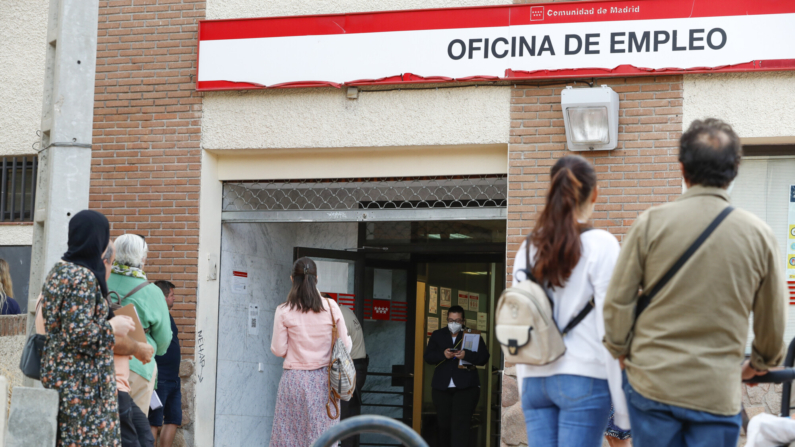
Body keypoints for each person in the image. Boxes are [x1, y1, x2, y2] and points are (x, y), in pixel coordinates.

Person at [603, 118, 786, 447]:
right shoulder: (759, 235)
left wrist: (621, 350)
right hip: (716, 389)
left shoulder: (649, 224)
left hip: (651, 383)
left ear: (682, 169)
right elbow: (773, 319)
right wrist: (759, 364)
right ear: (734, 170)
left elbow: (617, 302)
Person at [511, 155, 628, 447]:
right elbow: (611, 328)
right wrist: (623, 410)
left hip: (537, 382)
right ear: (595, 193)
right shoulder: (602, 245)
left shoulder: (528, 249)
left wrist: (527, 388)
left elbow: (520, 325)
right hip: (585, 378)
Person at [39, 210, 135, 446]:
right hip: (83, 389)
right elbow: (79, 333)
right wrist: (112, 326)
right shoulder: (83, 276)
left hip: (64, 379)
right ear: (97, 238)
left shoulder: (58, 272)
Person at [270, 258, 351, 447]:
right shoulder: (331, 307)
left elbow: (278, 349)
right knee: (323, 436)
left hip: (294, 381)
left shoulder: (283, 310)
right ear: (316, 279)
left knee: (289, 437)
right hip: (324, 382)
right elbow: (345, 346)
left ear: (292, 279)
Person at [108, 234, 173, 417]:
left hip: (101, 359)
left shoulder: (101, 281)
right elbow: (163, 343)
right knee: (133, 431)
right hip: (138, 367)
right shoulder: (152, 292)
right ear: (142, 258)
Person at [103, 241, 156, 447]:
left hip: (117, 378)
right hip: (119, 378)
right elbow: (164, 338)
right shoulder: (150, 291)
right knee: (137, 438)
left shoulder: (102, 284)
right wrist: (140, 347)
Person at [424, 305, 490, 447]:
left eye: (457, 320)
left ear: (463, 321)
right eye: (451, 320)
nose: (454, 323)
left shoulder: (472, 335)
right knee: (443, 426)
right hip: (442, 388)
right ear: (447, 319)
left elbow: (484, 357)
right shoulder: (437, 335)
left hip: (466, 387)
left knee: (460, 426)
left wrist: (467, 354)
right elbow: (428, 357)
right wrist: (443, 354)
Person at [149, 280, 182, 447]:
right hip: (159, 380)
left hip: (174, 380)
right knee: (154, 421)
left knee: (174, 419)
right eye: (172, 295)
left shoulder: (167, 315)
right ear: (162, 297)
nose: (174, 298)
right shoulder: (155, 315)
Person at [337, 300, 368, 447]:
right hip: (358, 368)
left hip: (351, 369)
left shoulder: (338, 317)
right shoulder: (346, 310)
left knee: (345, 418)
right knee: (352, 417)